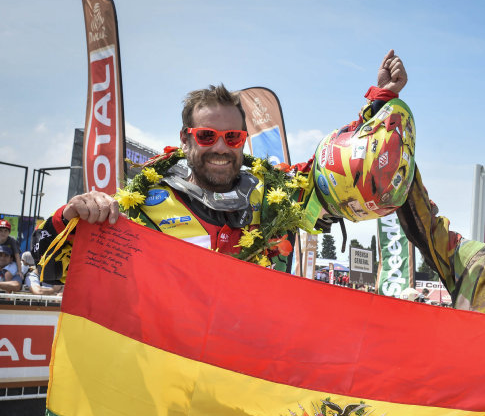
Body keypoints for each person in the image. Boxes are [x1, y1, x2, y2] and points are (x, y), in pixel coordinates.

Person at [33, 50, 485, 310]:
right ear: (184, 138)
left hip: (255, 382)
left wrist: (381, 101)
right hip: (164, 385)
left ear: (243, 139)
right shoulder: (142, 205)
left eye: (232, 136)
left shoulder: (275, 194)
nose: (221, 147)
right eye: (207, 135)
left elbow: (347, 169)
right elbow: (52, 269)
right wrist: (73, 215)